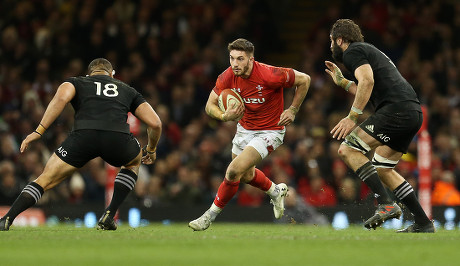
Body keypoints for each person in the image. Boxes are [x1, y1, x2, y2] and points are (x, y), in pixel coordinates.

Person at [0, 58, 162, 231]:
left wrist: (38, 131)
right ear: (112, 74)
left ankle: (7, 219)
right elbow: (156, 123)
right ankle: (110, 213)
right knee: (132, 162)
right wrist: (151, 149)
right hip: (117, 137)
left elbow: (61, 98)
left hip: (83, 135)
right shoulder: (127, 90)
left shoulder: (76, 82)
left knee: (45, 179)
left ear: (89, 73)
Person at [188, 38, 310, 231]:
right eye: (232, 58)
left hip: (270, 131)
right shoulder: (227, 76)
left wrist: (293, 109)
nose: (235, 64)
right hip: (244, 129)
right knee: (246, 175)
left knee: (233, 171)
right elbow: (209, 105)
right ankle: (275, 191)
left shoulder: (270, 74)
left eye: (240, 59)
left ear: (251, 59)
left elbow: (305, 80)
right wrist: (223, 115)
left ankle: (208, 217)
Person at [325, 19, 434, 233]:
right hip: (412, 112)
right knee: (383, 168)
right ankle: (423, 222)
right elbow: (367, 85)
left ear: (340, 40)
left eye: (331, 41)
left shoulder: (352, 52)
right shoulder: (367, 51)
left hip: (396, 111)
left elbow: (367, 82)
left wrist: (352, 117)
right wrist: (343, 82)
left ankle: (386, 204)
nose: (330, 46)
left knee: (348, 149)